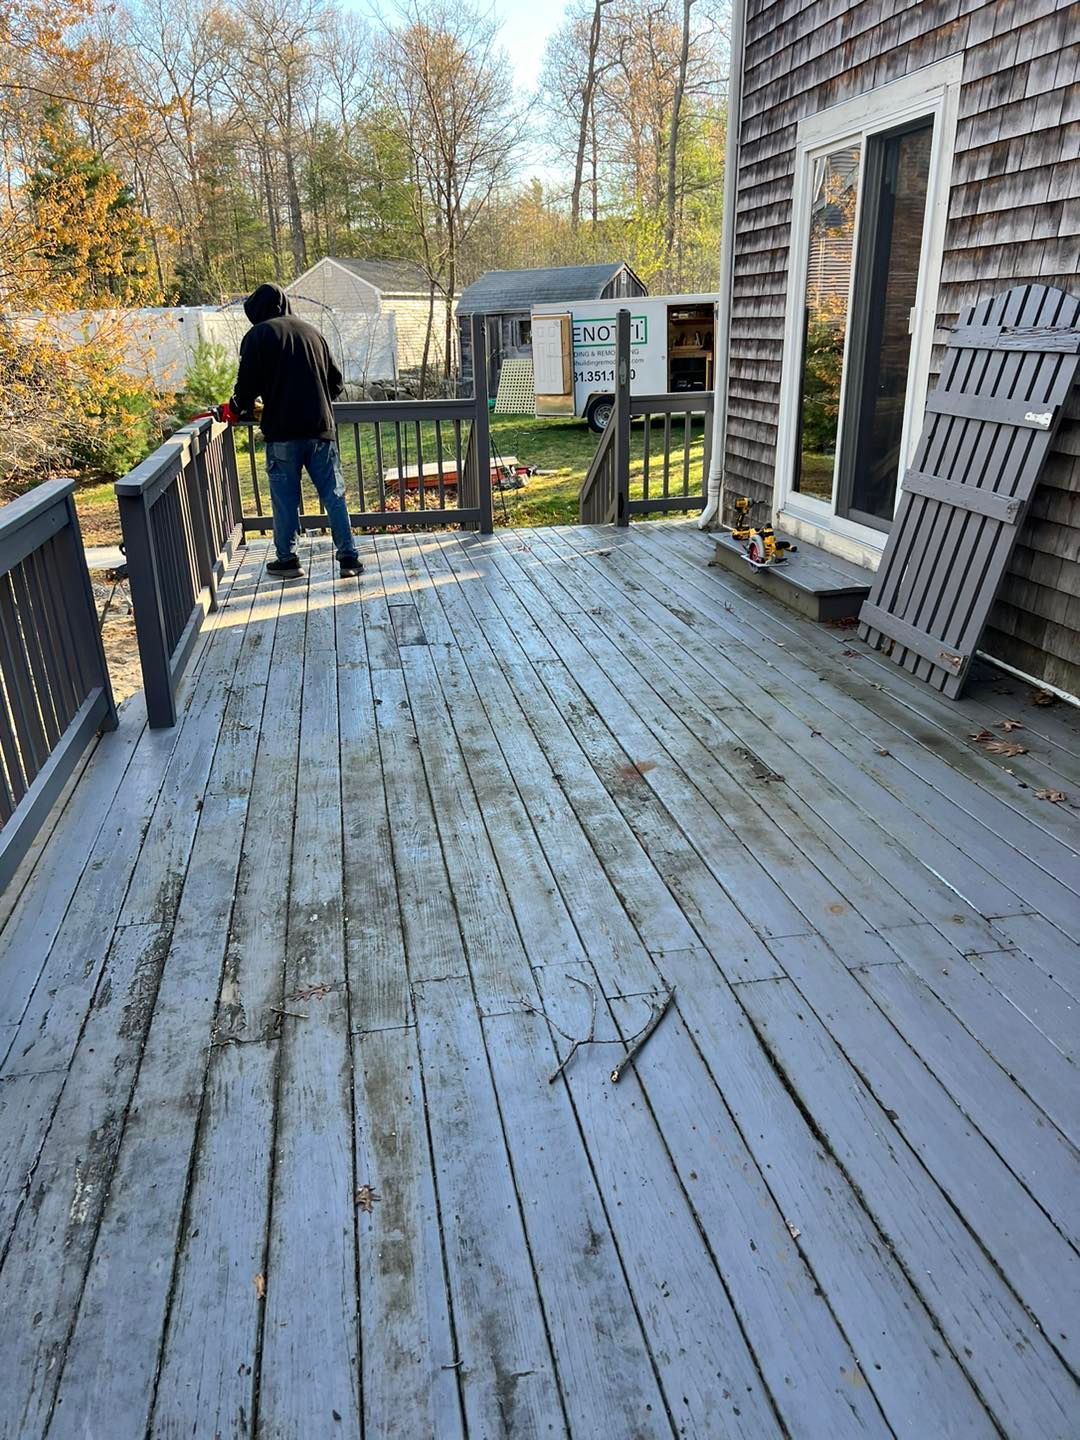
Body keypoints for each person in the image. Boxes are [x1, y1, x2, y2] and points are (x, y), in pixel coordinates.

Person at [230, 282, 362, 579]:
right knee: (334, 495)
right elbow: (336, 384)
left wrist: (238, 407)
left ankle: (288, 560)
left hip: (282, 433)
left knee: (285, 500)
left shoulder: (258, 335)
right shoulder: (313, 333)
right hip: (320, 429)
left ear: (257, 311)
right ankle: (349, 559)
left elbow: (246, 388)